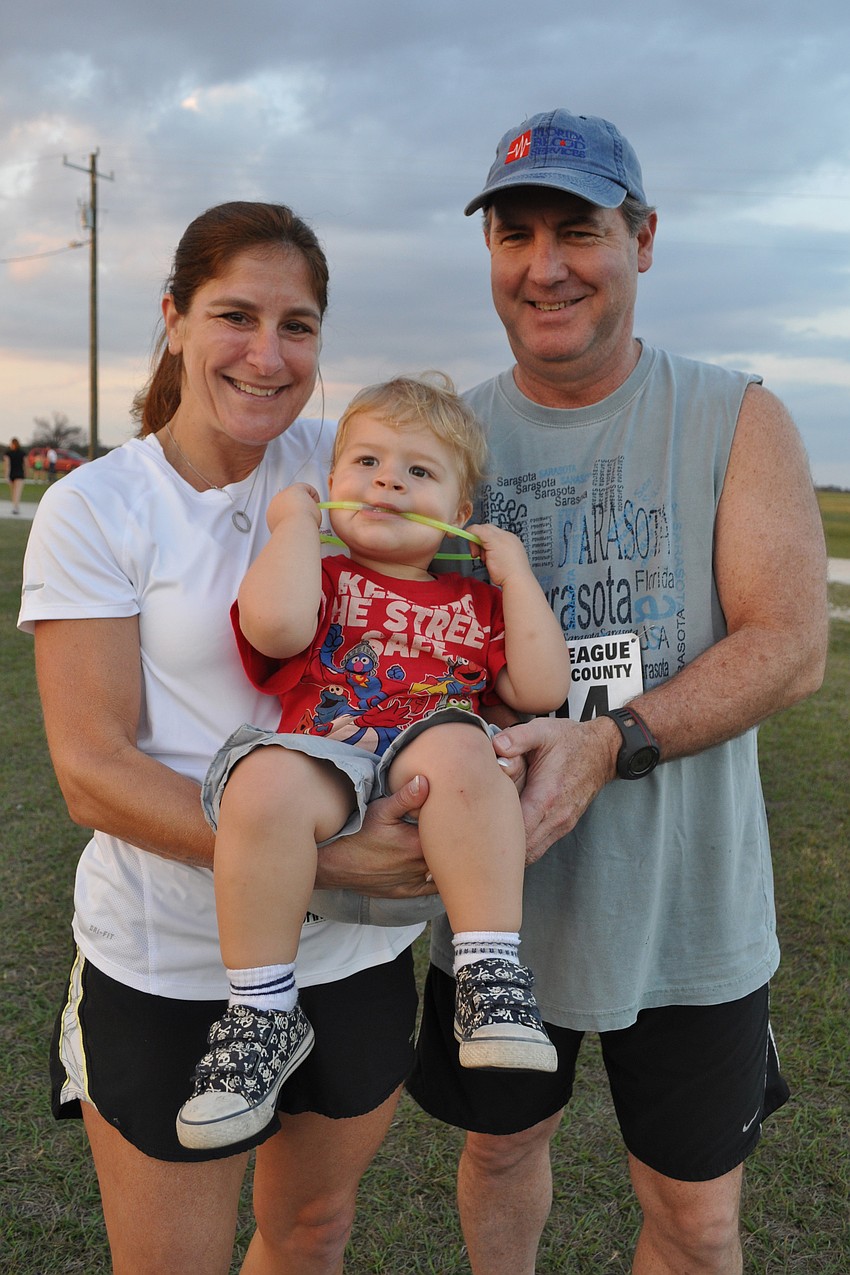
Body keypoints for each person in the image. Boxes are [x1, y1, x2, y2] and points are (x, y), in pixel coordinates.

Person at [406, 109, 829, 1274]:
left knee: (695, 1220)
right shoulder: (448, 443)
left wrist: (608, 741)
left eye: (578, 230)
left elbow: (790, 643)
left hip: (688, 913)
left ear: (641, 240)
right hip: (499, 914)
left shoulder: (732, 414)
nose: (545, 266)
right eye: (515, 234)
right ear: (489, 253)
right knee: (499, 1153)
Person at [18, 201, 443, 1275]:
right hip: (174, 960)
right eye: (235, 316)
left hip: (352, 951)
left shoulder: (349, 468)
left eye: (297, 325)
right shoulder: (99, 507)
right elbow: (93, 772)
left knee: (311, 1232)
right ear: (174, 318)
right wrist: (330, 859)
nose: (267, 354)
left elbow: (448, 600)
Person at [175, 372, 572, 1152]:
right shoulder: (321, 576)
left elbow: (540, 688)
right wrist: (296, 523)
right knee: (261, 778)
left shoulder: (475, 601)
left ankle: (490, 972)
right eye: (366, 463)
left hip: (433, 766)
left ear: (460, 513)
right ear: (333, 485)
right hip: (331, 756)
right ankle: (260, 1012)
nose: (388, 481)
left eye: (418, 471)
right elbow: (277, 629)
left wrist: (516, 575)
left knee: (464, 744)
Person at [4, 437, 25, 513]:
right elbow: (26, 464)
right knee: (17, 492)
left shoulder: (8, 453)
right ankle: (16, 507)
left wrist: (6, 476)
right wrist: (26, 473)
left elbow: (7, 465)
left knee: (13, 492)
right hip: (19, 474)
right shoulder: (22, 453)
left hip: (12, 474)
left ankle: (15, 506)